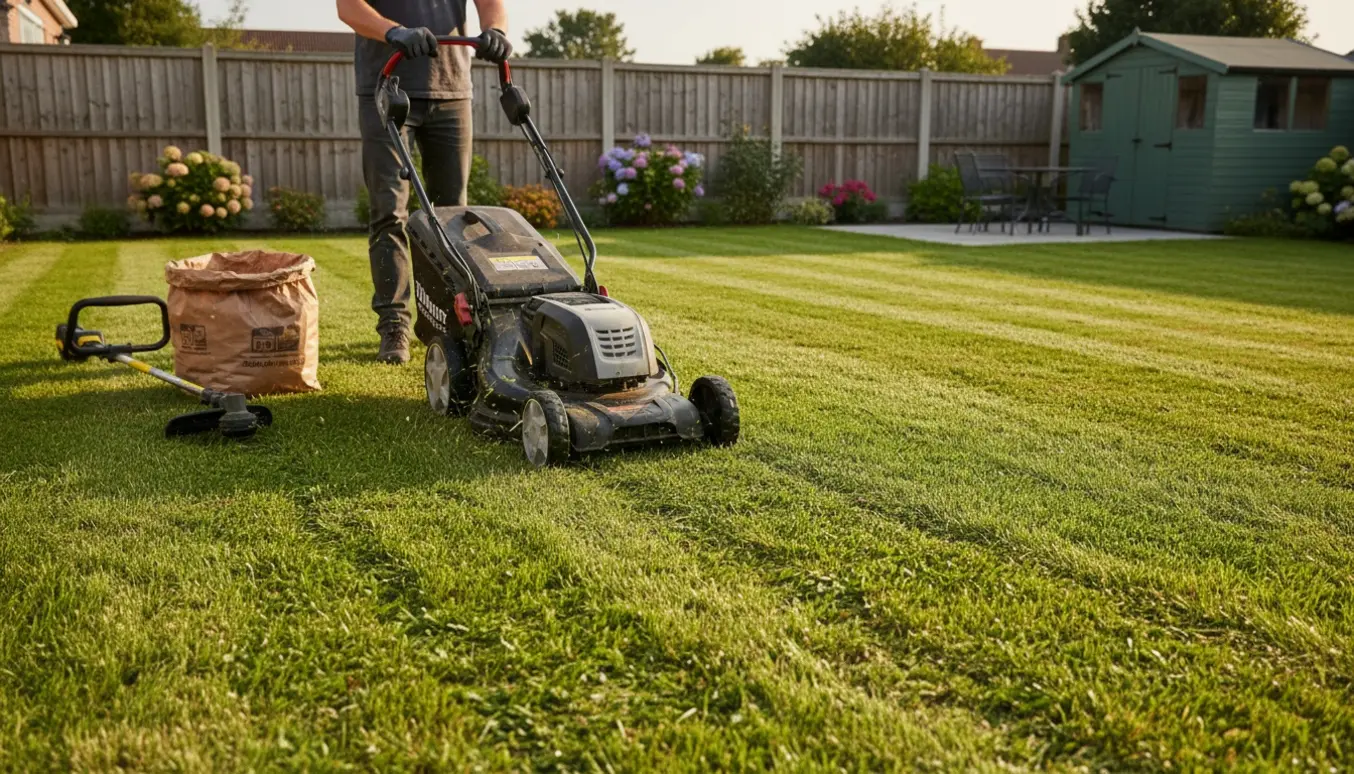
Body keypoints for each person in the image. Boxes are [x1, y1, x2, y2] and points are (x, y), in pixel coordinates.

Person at [337, 0, 512, 364]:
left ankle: (453, 321)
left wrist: (495, 30)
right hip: (388, 83)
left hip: (452, 88)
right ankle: (394, 325)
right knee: (389, 210)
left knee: (452, 217)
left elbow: (490, 3)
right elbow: (348, 8)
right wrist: (393, 31)